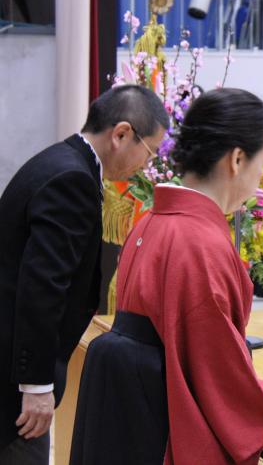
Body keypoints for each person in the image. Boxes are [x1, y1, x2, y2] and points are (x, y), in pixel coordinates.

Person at [69, 89, 263, 465]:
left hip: (127, 414)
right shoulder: (198, 242)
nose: (259, 180)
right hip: (157, 423)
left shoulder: (152, 221)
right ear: (237, 159)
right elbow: (218, 370)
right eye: (262, 163)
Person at [0, 85, 168, 465]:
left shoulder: (60, 161)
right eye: (149, 151)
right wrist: (36, 385)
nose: (146, 164)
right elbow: (43, 286)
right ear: (121, 134)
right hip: (14, 380)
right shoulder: (72, 179)